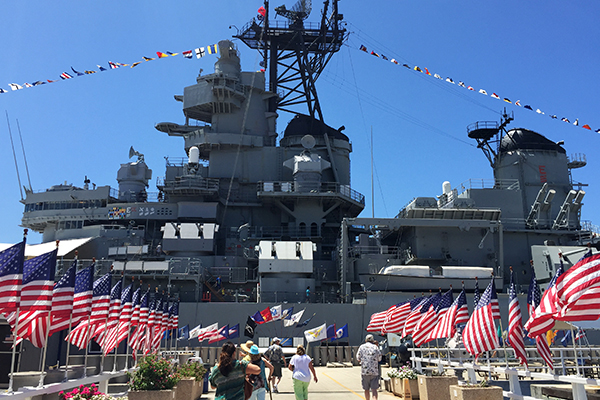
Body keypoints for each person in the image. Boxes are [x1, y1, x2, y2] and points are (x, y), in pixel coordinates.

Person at [356, 334, 382, 400]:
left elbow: (358, 358)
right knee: (374, 390)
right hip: (374, 371)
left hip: (365, 371)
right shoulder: (375, 347)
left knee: (366, 389)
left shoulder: (361, 347)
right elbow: (380, 358)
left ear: (365, 340)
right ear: (373, 340)